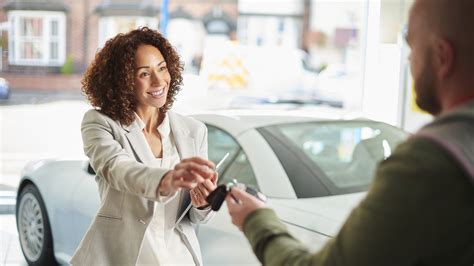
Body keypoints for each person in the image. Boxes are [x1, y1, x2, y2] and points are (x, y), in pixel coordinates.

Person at [225, 0, 474, 265]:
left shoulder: (428, 162)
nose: (409, 61)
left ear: (442, 56)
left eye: (412, 48)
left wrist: (257, 219)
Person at [71, 27, 218, 266]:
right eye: (144, 73)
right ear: (123, 80)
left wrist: (203, 203)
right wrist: (168, 179)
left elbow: (194, 217)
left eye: (162, 68)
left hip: (179, 257)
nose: (159, 81)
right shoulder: (100, 123)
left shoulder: (194, 131)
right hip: (125, 257)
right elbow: (118, 170)